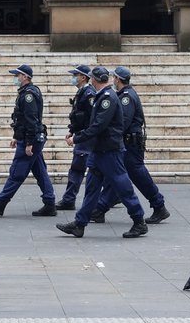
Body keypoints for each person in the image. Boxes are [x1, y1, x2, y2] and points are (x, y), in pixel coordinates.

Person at [56, 66, 148, 238]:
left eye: (91, 77)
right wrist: (76, 131)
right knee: (91, 188)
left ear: (95, 79)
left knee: (122, 186)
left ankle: (139, 220)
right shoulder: (101, 96)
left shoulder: (108, 98)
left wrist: (77, 138)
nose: (90, 80)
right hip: (98, 150)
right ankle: (80, 223)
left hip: (110, 151)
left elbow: (98, 126)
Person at [91, 66, 170, 225]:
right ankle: (100, 209)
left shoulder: (126, 97)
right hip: (128, 143)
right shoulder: (124, 95)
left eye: (114, 78)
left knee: (135, 176)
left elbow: (123, 122)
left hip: (130, 145)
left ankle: (159, 205)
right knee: (118, 176)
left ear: (118, 79)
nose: (113, 80)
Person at [0, 64, 57, 217]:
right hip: (31, 137)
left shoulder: (28, 94)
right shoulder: (26, 92)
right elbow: (21, 119)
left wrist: (28, 143)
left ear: (25, 77)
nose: (15, 78)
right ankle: (50, 203)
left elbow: (31, 120)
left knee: (17, 171)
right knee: (40, 171)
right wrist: (16, 137)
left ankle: (1, 203)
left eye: (18, 75)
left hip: (31, 139)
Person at [54, 64, 96, 210]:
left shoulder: (89, 93)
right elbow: (78, 115)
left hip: (86, 138)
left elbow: (91, 119)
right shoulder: (81, 92)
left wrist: (80, 135)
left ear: (83, 77)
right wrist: (72, 130)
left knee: (77, 169)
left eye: (75, 75)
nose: (73, 78)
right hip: (82, 135)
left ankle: (69, 199)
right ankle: (113, 196)